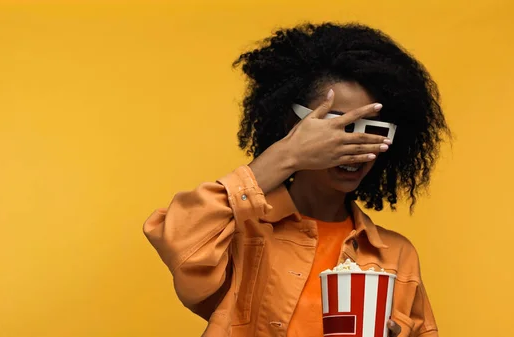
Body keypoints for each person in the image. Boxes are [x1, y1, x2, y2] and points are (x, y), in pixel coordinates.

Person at [143, 22, 450, 337]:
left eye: (374, 131)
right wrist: (288, 153)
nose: (355, 148)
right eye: (339, 127)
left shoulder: (396, 255)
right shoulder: (241, 231)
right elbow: (179, 239)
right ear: (294, 124)